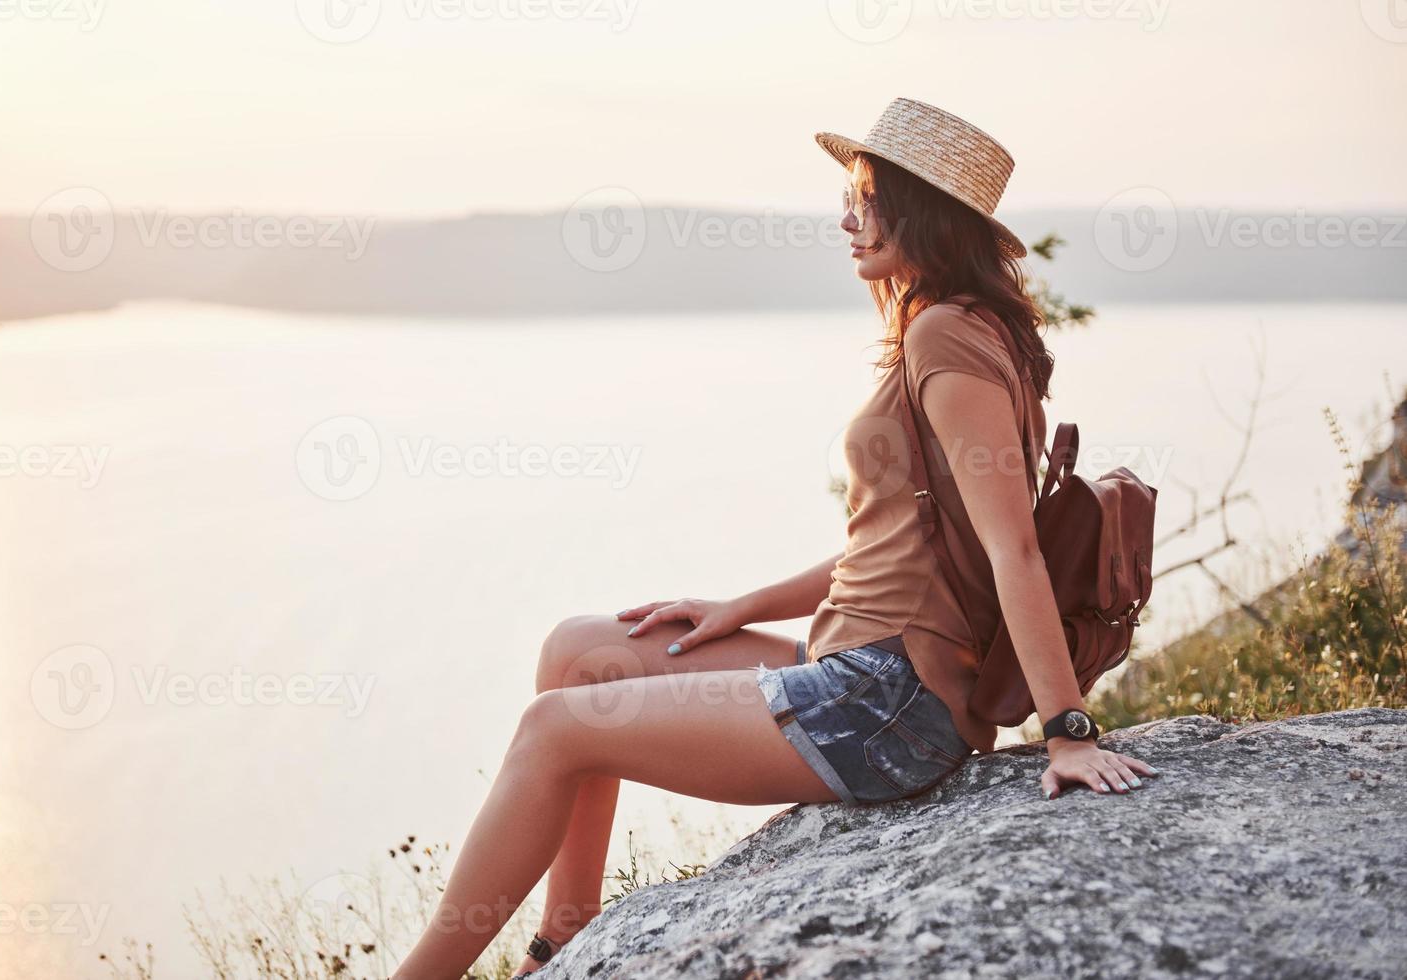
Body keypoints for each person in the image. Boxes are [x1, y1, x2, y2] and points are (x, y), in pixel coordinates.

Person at [391, 97, 1158, 980]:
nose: (847, 218)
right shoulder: (951, 327)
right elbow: (910, 540)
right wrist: (741, 605)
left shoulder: (947, 336)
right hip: (858, 669)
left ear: (924, 212)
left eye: (867, 199)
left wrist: (1067, 732)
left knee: (555, 728)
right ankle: (565, 945)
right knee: (579, 652)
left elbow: (1009, 547)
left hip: (887, 705)